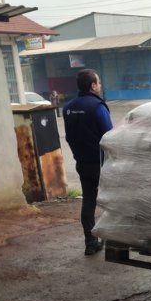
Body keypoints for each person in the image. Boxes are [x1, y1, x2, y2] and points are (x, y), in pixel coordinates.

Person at [63, 69, 113, 255]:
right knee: (112, 201)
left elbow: (69, 137)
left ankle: (90, 243)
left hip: (83, 163)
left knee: (89, 201)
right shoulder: (97, 106)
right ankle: (116, 238)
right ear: (93, 85)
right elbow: (109, 136)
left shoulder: (68, 107)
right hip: (102, 163)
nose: (99, 86)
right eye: (98, 82)